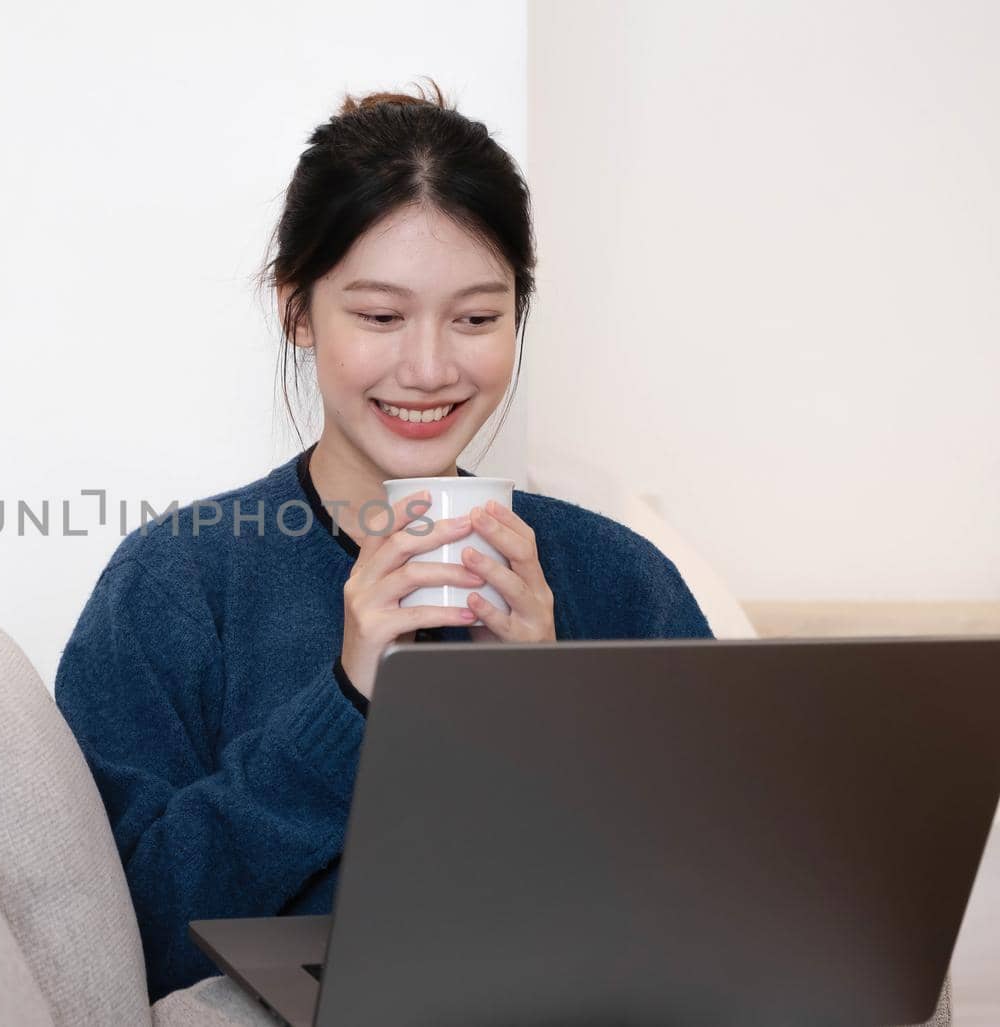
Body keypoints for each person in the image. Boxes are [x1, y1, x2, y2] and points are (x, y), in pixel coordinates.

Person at [51, 79, 951, 1025]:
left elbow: (738, 915)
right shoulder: (180, 580)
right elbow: (126, 948)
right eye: (381, 317)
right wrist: (349, 699)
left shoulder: (619, 574)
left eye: (477, 318)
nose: (432, 368)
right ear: (298, 313)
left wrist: (550, 714)